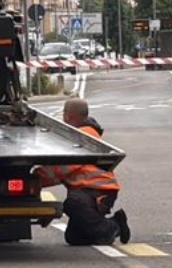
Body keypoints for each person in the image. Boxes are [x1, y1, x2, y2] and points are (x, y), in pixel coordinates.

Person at [34, 98, 130, 246]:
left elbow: (63, 167)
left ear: (68, 116)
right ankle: (112, 223)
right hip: (91, 192)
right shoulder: (86, 133)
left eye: (64, 113)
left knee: (73, 203)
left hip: (99, 192)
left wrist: (35, 179)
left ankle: (112, 227)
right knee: (74, 238)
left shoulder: (81, 138)